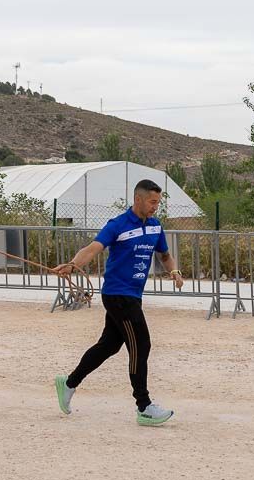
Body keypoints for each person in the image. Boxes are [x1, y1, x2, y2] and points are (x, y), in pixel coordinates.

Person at [49, 179, 184, 426]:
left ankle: (68, 383)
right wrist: (73, 265)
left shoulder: (155, 226)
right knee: (141, 345)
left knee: (109, 346)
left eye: (158, 202)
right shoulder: (118, 225)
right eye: (152, 202)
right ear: (138, 200)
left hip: (133, 295)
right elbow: (93, 248)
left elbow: (164, 254)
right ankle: (143, 406)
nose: (156, 207)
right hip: (118, 295)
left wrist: (173, 271)